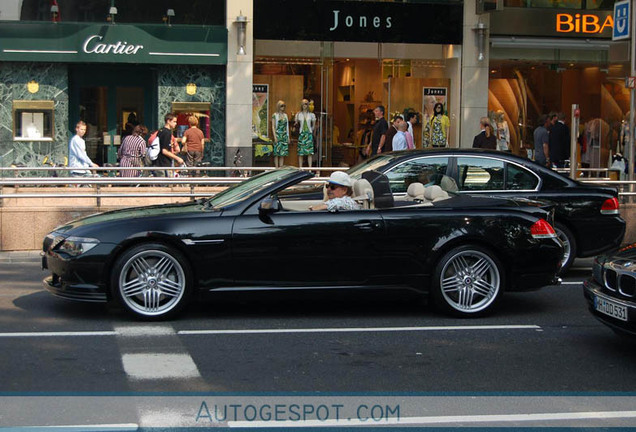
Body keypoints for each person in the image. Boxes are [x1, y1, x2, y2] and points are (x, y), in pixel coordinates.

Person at [156, 113, 184, 177]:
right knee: (167, 185)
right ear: (168, 121)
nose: (176, 124)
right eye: (174, 121)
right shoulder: (167, 133)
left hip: (159, 162)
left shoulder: (160, 131)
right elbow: (164, 150)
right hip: (164, 163)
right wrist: (177, 158)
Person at [295, 98, 316, 168]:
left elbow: (313, 125)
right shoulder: (298, 114)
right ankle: (300, 167)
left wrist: (311, 131)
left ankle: (310, 168)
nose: (305, 105)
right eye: (303, 104)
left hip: (308, 133)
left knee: (309, 153)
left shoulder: (311, 115)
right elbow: (296, 124)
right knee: (300, 152)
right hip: (302, 134)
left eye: (306, 104)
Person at [271, 100, 290, 168]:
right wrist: (275, 136)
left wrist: (288, 136)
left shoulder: (285, 115)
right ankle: (276, 167)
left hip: (284, 135)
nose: (283, 107)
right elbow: (273, 126)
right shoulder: (275, 115)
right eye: (282, 106)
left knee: (282, 153)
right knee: (276, 153)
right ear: (278, 106)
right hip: (278, 134)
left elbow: (287, 126)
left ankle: (281, 167)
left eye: (284, 106)